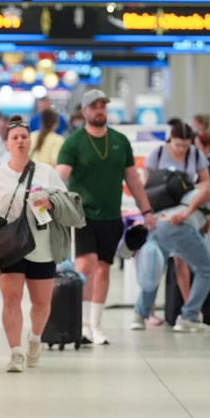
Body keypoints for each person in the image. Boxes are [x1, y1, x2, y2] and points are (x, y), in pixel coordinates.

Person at [0, 116, 84, 373]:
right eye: (15, 138)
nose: (20, 141)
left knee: (41, 302)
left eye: (24, 137)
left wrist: (51, 203)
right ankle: (15, 353)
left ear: (29, 141)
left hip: (42, 245)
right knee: (11, 299)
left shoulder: (47, 172)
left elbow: (65, 202)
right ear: (7, 144)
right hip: (9, 246)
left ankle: (34, 339)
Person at [56, 89, 156, 345]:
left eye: (103, 106)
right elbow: (60, 176)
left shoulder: (120, 141)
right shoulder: (73, 142)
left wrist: (146, 210)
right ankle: (82, 324)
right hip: (82, 216)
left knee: (103, 268)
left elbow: (133, 179)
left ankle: (96, 324)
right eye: (94, 106)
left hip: (112, 216)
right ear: (85, 111)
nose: (100, 110)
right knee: (85, 266)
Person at [144, 121, 210, 323]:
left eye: (185, 145)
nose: (181, 149)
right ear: (169, 140)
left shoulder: (195, 154)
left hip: (182, 213)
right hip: (160, 213)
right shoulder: (156, 154)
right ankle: (148, 311)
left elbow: (206, 184)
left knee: (182, 263)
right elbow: (147, 186)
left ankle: (188, 309)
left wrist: (187, 188)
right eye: (177, 145)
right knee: (155, 264)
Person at [131, 185, 210, 332]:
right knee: (207, 269)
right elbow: (207, 190)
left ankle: (139, 315)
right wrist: (186, 214)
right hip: (179, 225)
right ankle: (189, 317)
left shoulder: (185, 194)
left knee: (155, 271)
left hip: (158, 225)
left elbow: (181, 270)